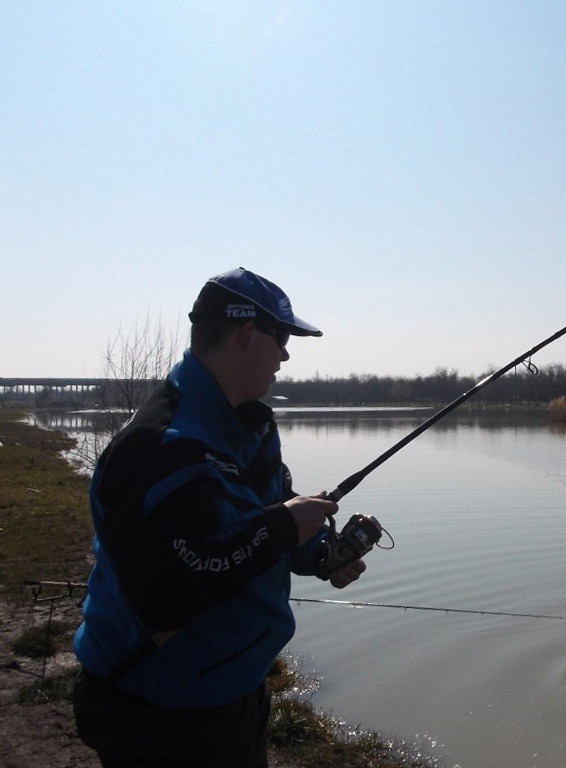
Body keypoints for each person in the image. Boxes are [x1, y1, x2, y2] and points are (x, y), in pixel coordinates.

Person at [72, 267, 365, 768]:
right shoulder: (160, 446)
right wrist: (281, 527)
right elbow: (168, 595)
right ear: (249, 334)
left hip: (233, 693)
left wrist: (317, 554)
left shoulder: (246, 426)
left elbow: (256, 521)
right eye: (283, 339)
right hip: (157, 709)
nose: (287, 355)